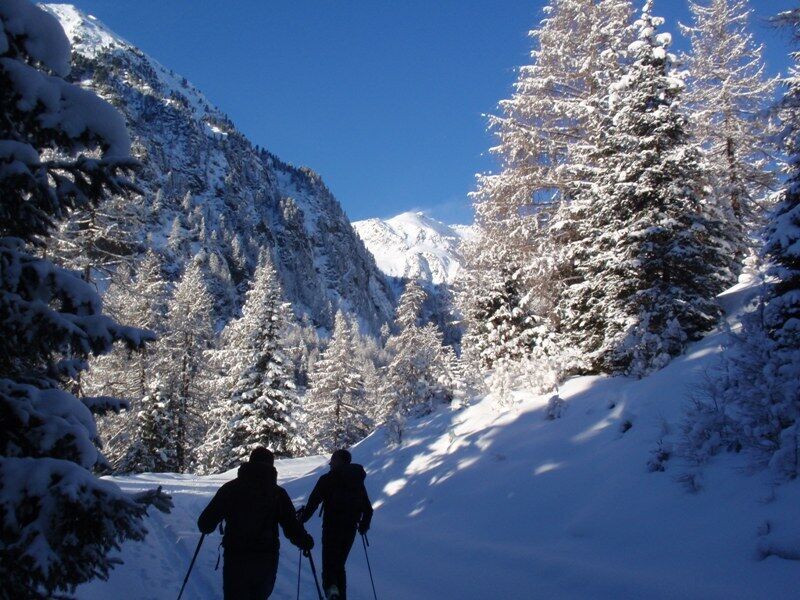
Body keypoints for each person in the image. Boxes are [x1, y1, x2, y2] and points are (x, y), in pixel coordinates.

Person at [198, 447, 314, 600]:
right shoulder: (277, 493)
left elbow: (205, 524)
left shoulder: (230, 489)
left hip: (236, 557)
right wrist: (304, 541)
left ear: (250, 462)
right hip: (266, 558)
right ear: (271, 466)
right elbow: (291, 526)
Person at [298, 449, 373, 600]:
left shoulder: (327, 479)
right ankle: (340, 596)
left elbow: (313, 503)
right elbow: (368, 509)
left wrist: (300, 521)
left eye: (333, 460)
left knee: (329, 566)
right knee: (339, 565)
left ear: (339, 461)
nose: (330, 463)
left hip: (331, 529)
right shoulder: (356, 480)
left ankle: (332, 593)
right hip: (350, 529)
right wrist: (364, 525)